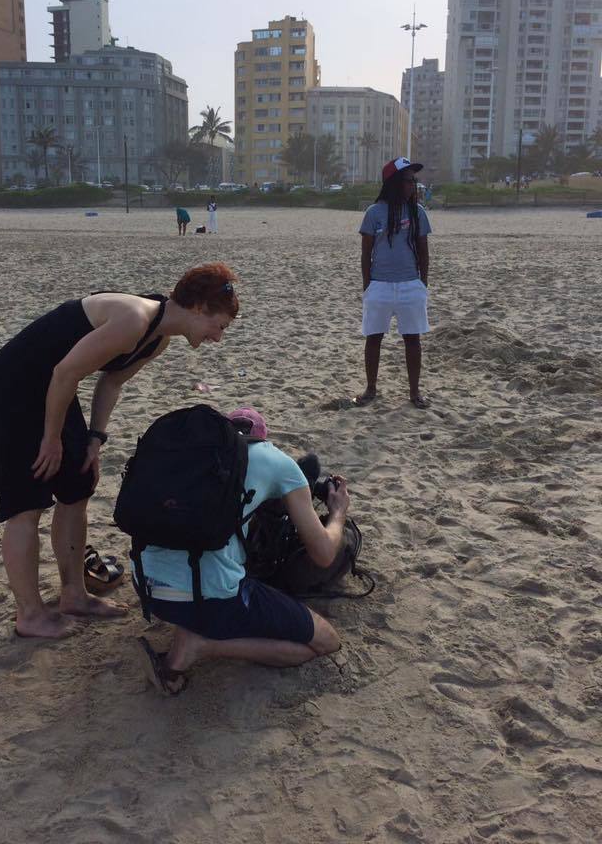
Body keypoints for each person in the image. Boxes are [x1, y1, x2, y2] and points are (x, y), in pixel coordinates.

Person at [0, 263, 239, 638]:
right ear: (198, 308)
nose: (218, 338)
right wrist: (51, 438)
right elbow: (65, 372)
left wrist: (94, 440)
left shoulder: (157, 338)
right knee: (26, 504)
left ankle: (74, 595)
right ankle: (30, 614)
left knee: (78, 485)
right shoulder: (134, 319)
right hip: (12, 391)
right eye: (219, 326)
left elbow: (111, 383)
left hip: (54, 391)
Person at [136, 406, 349, 695]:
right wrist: (338, 513)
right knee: (326, 641)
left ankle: (196, 627)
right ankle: (201, 644)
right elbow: (323, 554)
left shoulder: (192, 458)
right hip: (207, 598)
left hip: (148, 589)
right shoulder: (276, 461)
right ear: (263, 438)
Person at [355, 156, 432, 410]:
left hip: (410, 285)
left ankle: (414, 392)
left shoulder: (417, 212)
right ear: (394, 183)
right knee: (374, 338)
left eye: (413, 180)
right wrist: (368, 286)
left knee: (412, 339)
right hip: (379, 286)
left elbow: (424, 251)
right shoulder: (373, 213)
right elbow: (366, 253)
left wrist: (422, 284)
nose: (412, 185)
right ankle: (371, 389)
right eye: (408, 180)